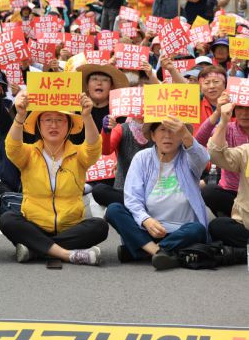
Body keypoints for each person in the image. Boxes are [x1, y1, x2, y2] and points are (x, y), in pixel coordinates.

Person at [0, 91, 108, 266]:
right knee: (8, 220)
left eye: (60, 120)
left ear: (69, 125)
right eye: (47, 120)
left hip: (70, 227)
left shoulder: (79, 154)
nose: (54, 125)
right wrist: (20, 116)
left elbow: (94, 148)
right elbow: (12, 148)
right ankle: (68, 254)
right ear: (39, 126)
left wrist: (87, 117)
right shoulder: (28, 153)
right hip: (34, 225)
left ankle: (35, 250)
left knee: (100, 227)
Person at [106, 118, 209, 270]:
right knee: (114, 210)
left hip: (181, 231)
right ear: (153, 135)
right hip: (148, 229)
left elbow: (203, 159)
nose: (167, 136)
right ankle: (159, 252)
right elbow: (132, 198)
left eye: (173, 130)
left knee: (197, 230)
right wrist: (146, 220)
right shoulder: (142, 158)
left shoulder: (189, 157)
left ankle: (141, 251)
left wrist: (186, 135)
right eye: (162, 130)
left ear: (181, 135)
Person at [208, 100, 249, 250]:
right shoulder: (246, 151)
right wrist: (223, 121)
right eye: (240, 108)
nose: (244, 113)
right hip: (245, 217)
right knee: (217, 227)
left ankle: (240, 253)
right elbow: (215, 155)